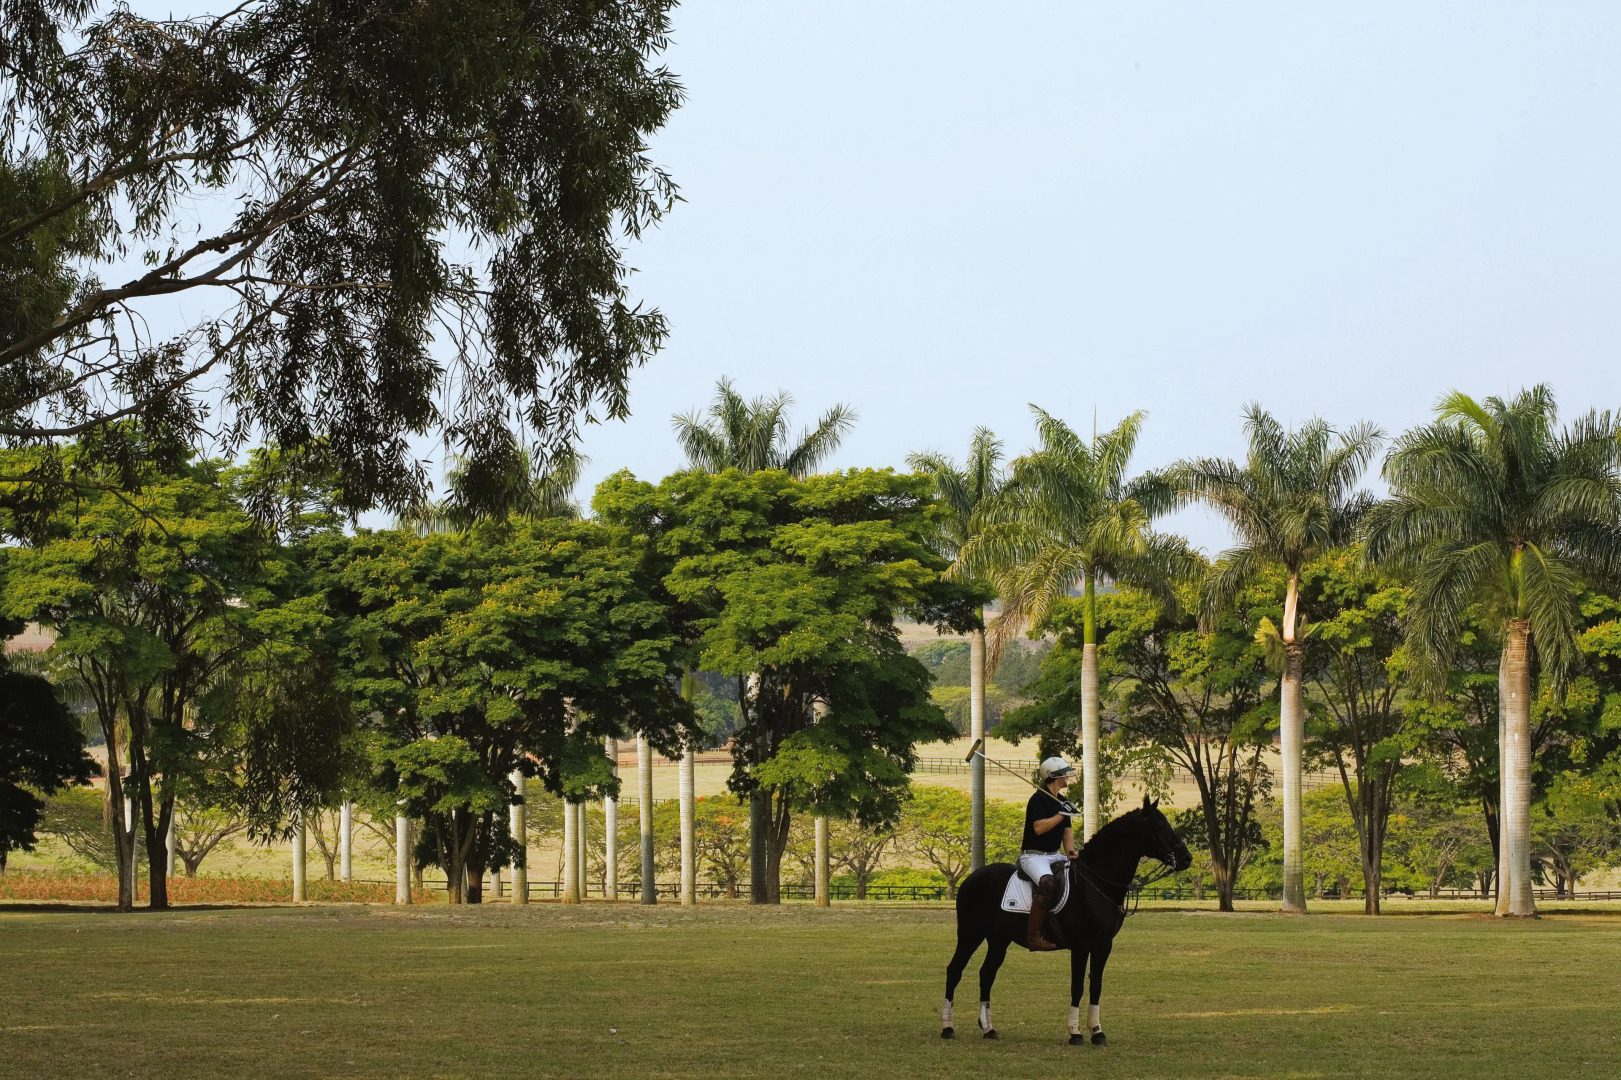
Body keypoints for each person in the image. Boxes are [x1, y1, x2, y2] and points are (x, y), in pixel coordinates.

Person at [1019, 756, 1078, 951]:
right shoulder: (1038, 799)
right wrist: (1062, 814)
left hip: (1054, 854)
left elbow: (1067, 832)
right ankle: (1034, 937)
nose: (1067, 776)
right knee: (1048, 884)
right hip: (1033, 856)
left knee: (1079, 873)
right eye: (1064, 774)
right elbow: (1038, 828)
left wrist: (1070, 853)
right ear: (1054, 776)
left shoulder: (1063, 801)